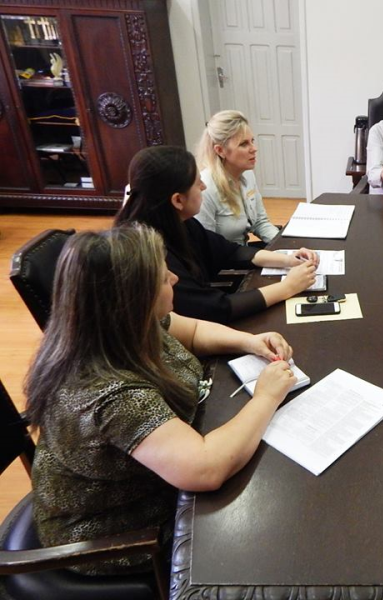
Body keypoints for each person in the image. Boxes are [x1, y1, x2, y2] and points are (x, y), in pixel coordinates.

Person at [26, 225, 298, 575]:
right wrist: (267, 396)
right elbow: (206, 468)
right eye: (161, 276)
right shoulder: (108, 392)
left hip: (158, 474)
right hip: (112, 534)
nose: (173, 278)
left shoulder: (121, 324)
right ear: (131, 297)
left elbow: (195, 331)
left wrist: (250, 341)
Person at [115, 146, 319, 324]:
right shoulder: (151, 253)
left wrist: (288, 260)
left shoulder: (179, 223)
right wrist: (287, 288)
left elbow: (230, 252)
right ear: (177, 200)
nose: (203, 187)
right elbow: (213, 309)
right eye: (197, 184)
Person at [195, 110, 280, 246]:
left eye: (252, 141)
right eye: (244, 144)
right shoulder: (206, 188)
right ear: (220, 150)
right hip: (223, 261)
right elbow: (206, 248)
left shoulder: (247, 174)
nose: (254, 149)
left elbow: (260, 222)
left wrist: (285, 246)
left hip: (242, 251)